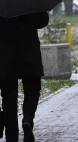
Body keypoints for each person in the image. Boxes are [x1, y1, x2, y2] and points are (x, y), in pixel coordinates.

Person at [0, 11, 49, 141]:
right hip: (29, 53)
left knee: (8, 97)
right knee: (33, 89)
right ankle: (27, 119)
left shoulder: (2, 0)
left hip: (5, 55)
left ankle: (11, 136)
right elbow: (42, 21)